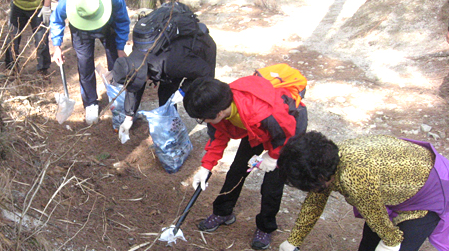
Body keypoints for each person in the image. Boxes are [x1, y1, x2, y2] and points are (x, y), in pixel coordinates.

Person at [183, 76, 308, 250]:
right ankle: (223, 212)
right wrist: (206, 166)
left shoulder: (265, 113)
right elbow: (219, 136)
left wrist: (273, 156)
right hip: (253, 130)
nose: (203, 122)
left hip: (284, 133)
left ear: (218, 113)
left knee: (272, 185)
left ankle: (265, 227)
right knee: (237, 170)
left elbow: (291, 133)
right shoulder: (220, 105)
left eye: (202, 119)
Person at [277, 132, 449, 251]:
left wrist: (390, 243)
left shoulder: (354, 179)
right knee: (368, 245)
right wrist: (294, 240)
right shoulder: (327, 159)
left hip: (428, 191)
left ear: (321, 178)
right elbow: (315, 201)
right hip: (394, 186)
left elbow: (388, 233)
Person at [49, 0, 130, 125]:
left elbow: (122, 21)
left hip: (108, 24)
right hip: (80, 29)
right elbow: (57, 19)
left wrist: (120, 48)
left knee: (115, 62)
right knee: (85, 64)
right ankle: (90, 103)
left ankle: (118, 98)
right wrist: (57, 46)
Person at [110, 30, 217, 139]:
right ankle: (171, 129)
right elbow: (135, 88)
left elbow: (204, 71)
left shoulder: (170, 64)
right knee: (166, 95)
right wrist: (129, 116)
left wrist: (183, 90)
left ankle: (215, 136)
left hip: (200, 49)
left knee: (204, 95)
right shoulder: (136, 61)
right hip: (175, 51)